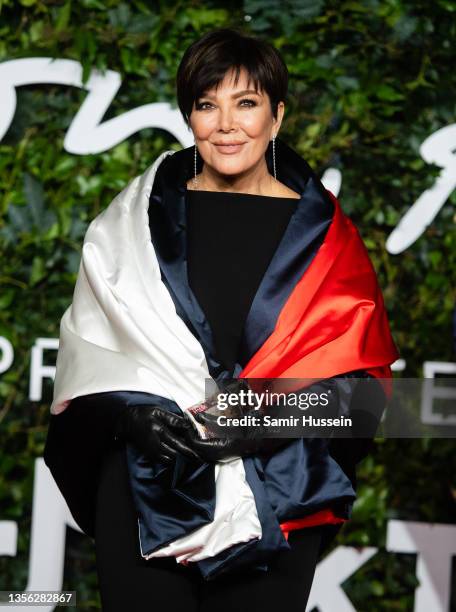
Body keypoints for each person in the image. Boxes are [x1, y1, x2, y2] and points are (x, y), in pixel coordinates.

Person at [43, 28, 398, 611]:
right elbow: (88, 360)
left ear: (277, 116)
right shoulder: (131, 222)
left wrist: (267, 422)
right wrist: (128, 418)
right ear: (189, 117)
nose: (226, 124)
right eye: (207, 105)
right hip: (144, 481)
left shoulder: (326, 240)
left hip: (278, 489)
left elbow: (361, 391)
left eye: (247, 103)